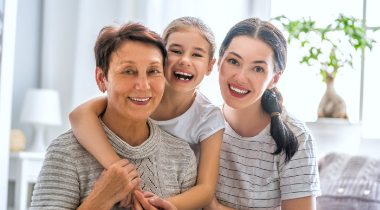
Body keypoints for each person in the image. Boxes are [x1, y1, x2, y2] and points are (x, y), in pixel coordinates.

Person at [30, 22, 197, 210]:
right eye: (128, 71)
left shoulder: (182, 155)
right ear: (102, 79)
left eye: (153, 71)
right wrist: (100, 199)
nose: (143, 85)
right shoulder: (66, 152)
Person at [69, 17, 225, 209]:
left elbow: (206, 188)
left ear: (211, 66)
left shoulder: (208, 117)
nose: (185, 60)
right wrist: (121, 173)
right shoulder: (140, 97)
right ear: (162, 58)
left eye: (197, 55)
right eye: (175, 51)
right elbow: (79, 115)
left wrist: (158, 205)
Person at [204, 18, 321, 210]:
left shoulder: (296, 137)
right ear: (218, 62)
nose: (240, 77)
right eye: (234, 61)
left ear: (274, 78)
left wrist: (216, 208)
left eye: (258, 68)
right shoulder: (200, 122)